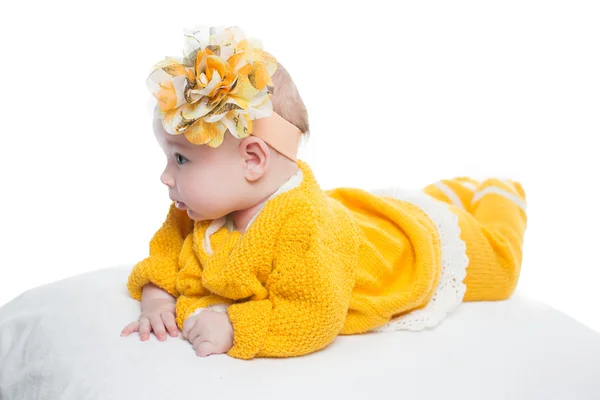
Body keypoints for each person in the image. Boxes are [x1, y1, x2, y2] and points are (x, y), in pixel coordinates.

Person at [120, 25, 528, 360]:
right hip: (358, 216)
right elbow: (166, 254)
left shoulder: (304, 226)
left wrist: (234, 326)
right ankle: (450, 192)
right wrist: (157, 297)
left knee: (502, 267)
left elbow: (314, 316)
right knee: (404, 205)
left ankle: (499, 192)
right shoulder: (196, 210)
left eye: (181, 160)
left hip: (413, 249)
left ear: (253, 161)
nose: (166, 178)